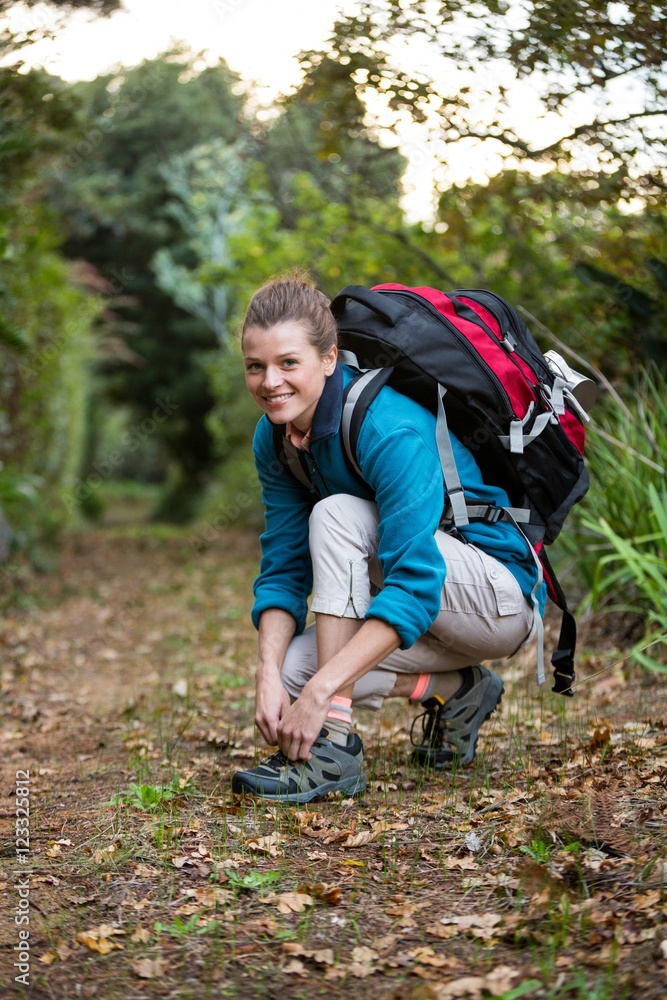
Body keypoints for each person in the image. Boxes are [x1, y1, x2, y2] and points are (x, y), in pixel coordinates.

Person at [231, 270, 545, 803]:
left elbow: (416, 584)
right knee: (290, 672)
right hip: (431, 608)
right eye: (255, 367)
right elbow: (284, 567)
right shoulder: (277, 438)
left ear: (328, 359)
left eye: (288, 363)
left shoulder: (386, 427)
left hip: (497, 602)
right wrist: (265, 673)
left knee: (336, 516)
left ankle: (332, 748)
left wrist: (325, 692)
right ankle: (461, 691)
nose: (270, 382)